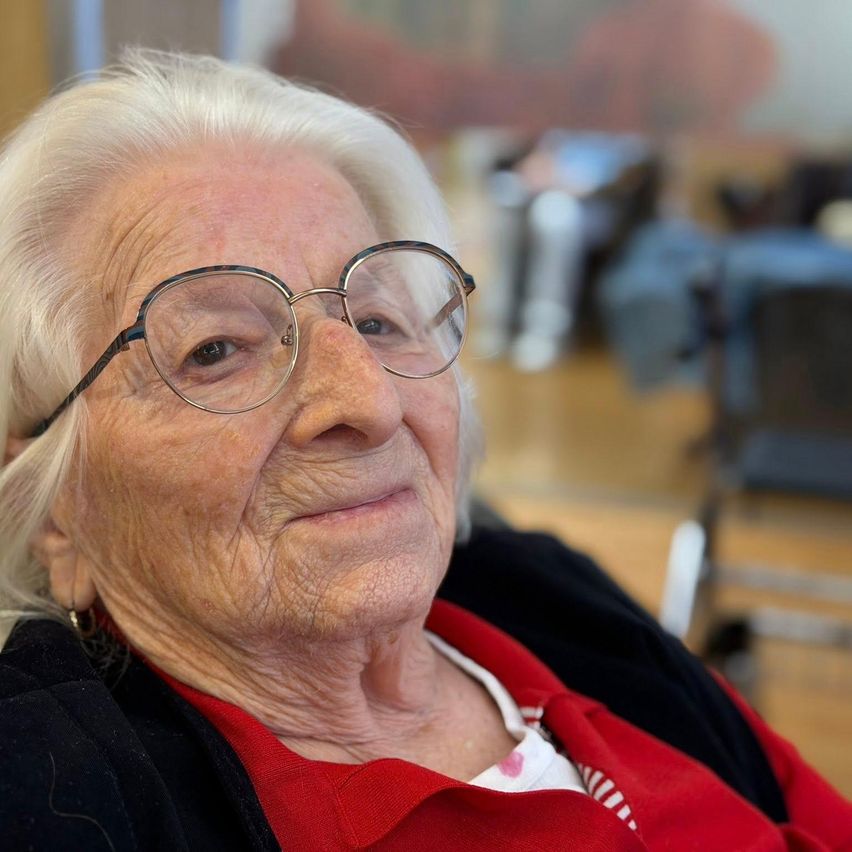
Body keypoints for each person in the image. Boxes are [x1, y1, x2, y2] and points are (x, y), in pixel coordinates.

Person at [0, 51, 849, 851]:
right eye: (216, 349)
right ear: (51, 510)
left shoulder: (542, 596)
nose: (367, 399)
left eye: (376, 320)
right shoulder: (61, 794)